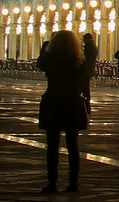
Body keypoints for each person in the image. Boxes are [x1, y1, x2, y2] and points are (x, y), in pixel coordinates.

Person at [36, 30, 88, 193]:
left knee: (52, 145)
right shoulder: (79, 59)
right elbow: (83, 79)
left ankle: (52, 182)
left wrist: (46, 47)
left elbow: (40, 64)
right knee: (73, 145)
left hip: (54, 101)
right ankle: (74, 181)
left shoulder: (51, 57)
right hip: (73, 102)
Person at [79, 33, 99, 112]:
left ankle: (86, 105)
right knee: (85, 87)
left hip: (86, 70)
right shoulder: (92, 46)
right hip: (89, 69)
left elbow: (85, 58)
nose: (83, 41)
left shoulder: (89, 47)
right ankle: (86, 105)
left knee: (84, 87)